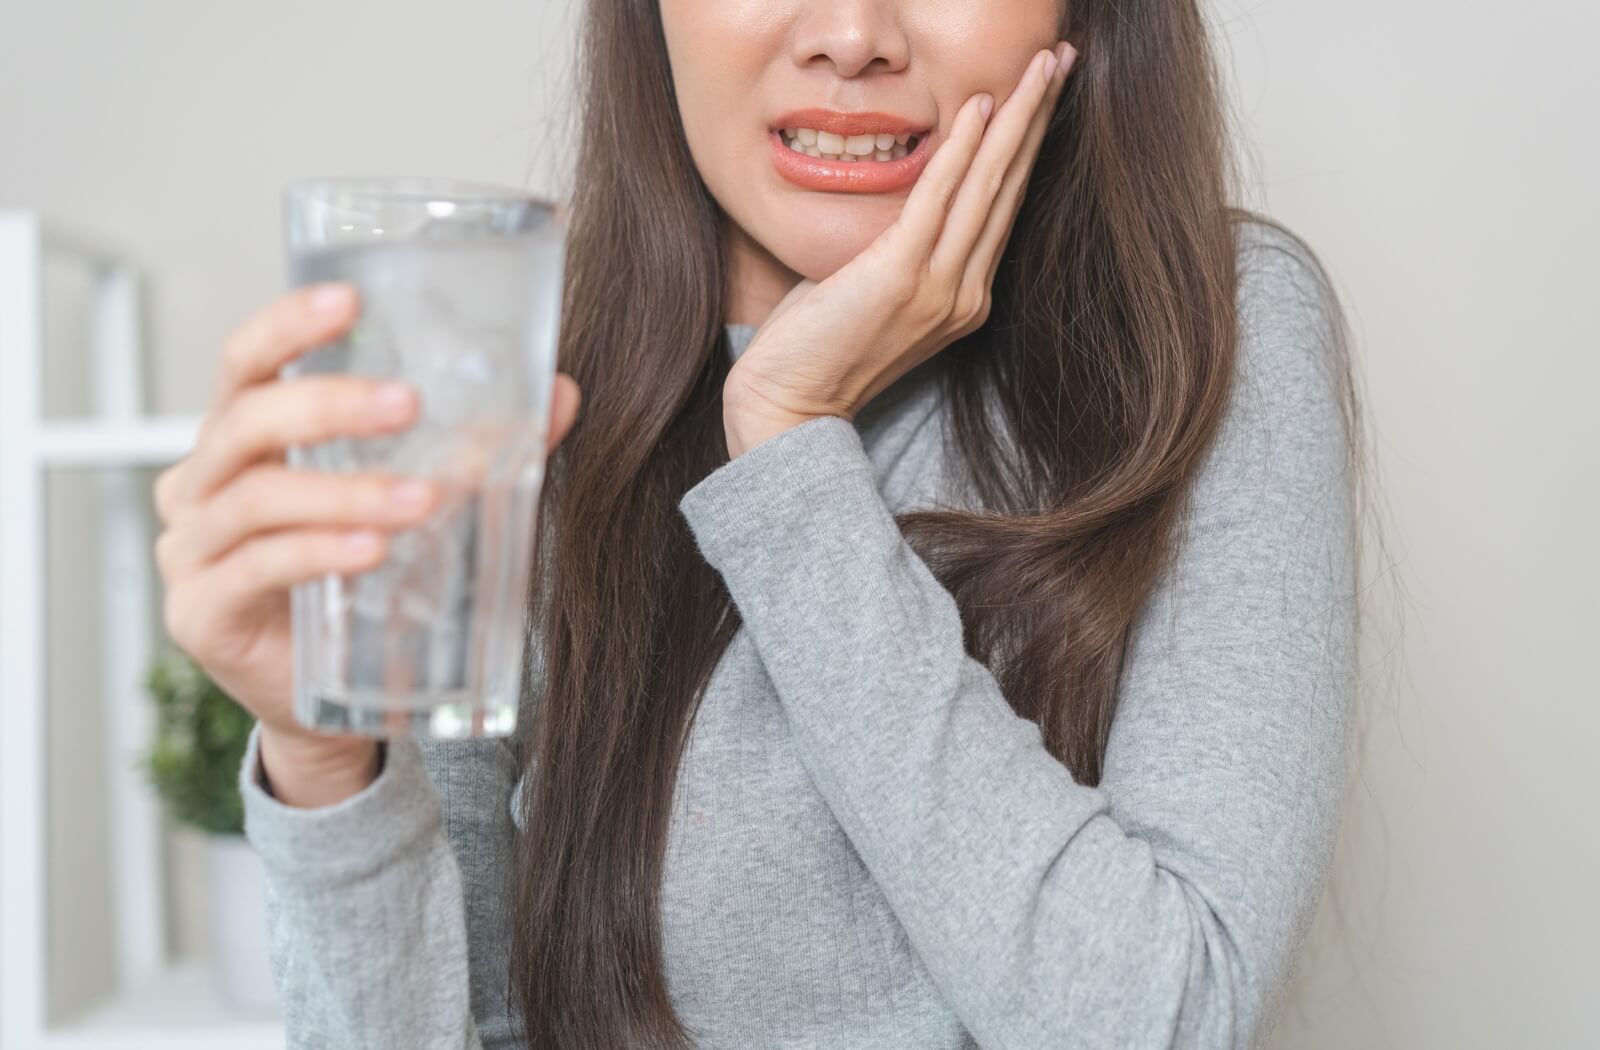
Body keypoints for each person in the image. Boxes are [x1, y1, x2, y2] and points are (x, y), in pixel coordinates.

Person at [152, 1, 1364, 1047]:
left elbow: (1163, 1019)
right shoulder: (513, 373)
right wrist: (326, 764)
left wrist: (789, 442)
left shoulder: (1204, 335)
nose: (850, 38)